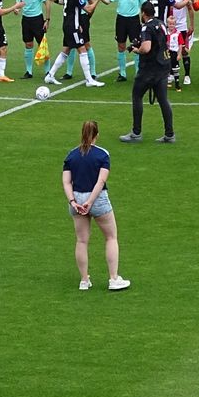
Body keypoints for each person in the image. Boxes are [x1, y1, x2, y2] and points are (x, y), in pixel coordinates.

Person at [62, 120, 130, 292]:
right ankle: (113, 279)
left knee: (82, 240)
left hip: (76, 199)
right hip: (97, 200)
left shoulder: (71, 155)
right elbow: (101, 181)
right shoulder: (102, 155)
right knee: (111, 237)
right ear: (96, 135)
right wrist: (90, 202)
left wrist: (73, 202)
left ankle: (84, 280)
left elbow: (66, 182)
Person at [119, 5, 175, 143]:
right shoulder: (161, 23)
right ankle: (169, 134)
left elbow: (146, 48)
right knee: (163, 100)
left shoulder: (146, 27)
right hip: (163, 66)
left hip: (149, 69)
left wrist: (137, 49)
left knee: (137, 96)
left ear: (144, 13)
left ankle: (136, 133)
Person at [44, 0, 106, 87]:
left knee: (65, 51)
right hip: (72, 27)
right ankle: (89, 80)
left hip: (67, 25)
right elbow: (88, 9)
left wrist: (57, 1)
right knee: (82, 50)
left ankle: (50, 75)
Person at [4, 0, 49, 78]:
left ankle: (48, 71)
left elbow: (46, 2)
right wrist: (16, 10)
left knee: (42, 45)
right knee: (28, 44)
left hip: (37, 19)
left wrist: (47, 20)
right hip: (26, 20)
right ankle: (29, 71)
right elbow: (19, 3)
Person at [103, 0, 147, 81]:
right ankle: (122, 73)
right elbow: (108, 1)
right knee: (121, 45)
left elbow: (144, 3)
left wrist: (144, 18)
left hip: (134, 20)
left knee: (136, 45)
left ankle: (138, 73)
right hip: (121, 19)